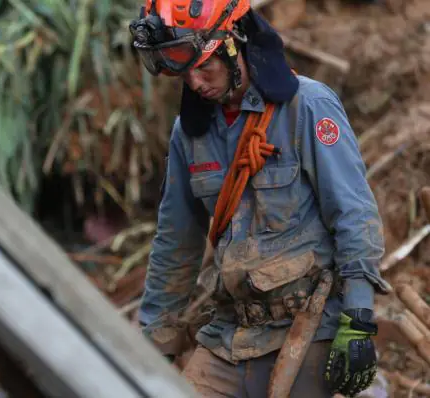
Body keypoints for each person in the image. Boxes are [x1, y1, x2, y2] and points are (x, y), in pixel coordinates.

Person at [128, 0, 391, 397]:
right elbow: (174, 242)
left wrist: (358, 320)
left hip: (310, 326)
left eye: (204, 66)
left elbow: (352, 212)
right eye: (185, 73)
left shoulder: (308, 105)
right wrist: (154, 344)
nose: (196, 83)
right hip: (231, 335)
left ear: (234, 44)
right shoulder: (189, 135)